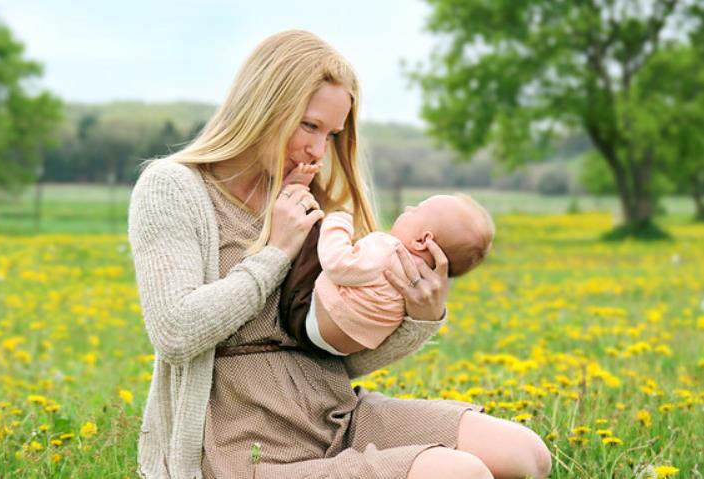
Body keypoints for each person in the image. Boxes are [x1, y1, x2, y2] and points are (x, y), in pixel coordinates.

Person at [128, 30, 551, 479]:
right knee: (458, 473)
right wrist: (276, 253)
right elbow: (174, 333)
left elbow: (335, 353)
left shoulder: (311, 199)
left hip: (333, 411)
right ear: (263, 105)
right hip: (244, 444)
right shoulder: (174, 188)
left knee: (524, 454)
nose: (317, 149)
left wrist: (416, 319)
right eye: (309, 126)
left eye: (331, 134)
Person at [293, 194, 494, 357]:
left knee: (314, 240)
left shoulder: (386, 248)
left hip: (317, 320)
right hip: (348, 348)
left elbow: (337, 264)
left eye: (416, 209)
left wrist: (337, 221)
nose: (407, 208)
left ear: (423, 240)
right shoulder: (420, 285)